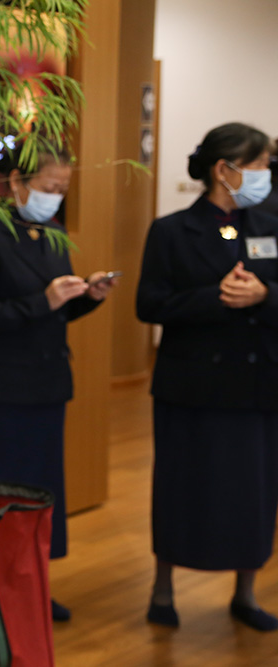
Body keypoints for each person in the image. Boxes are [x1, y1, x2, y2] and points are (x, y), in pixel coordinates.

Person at [0, 141, 116, 622]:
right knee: (11, 489)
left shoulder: (53, 231)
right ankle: (3, 592)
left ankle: (34, 585)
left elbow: (56, 309)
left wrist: (87, 296)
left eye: (62, 189)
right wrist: (42, 301)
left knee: (45, 488)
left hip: (49, 380)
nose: (55, 197)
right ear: (17, 182)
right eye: (49, 187)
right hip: (6, 386)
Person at [137, 122, 278, 631]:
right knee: (182, 488)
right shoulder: (171, 230)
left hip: (258, 385)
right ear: (225, 169)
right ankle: (163, 589)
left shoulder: (270, 224)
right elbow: (149, 305)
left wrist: (264, 295)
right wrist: (215, 297)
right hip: (191, 388)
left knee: (254, 493)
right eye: (260, 165)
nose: (267, 175)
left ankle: (246, 593)